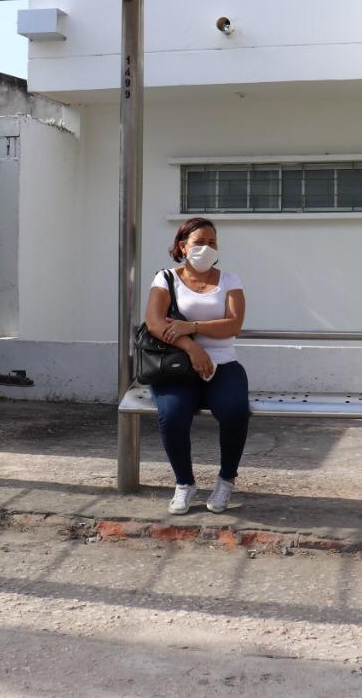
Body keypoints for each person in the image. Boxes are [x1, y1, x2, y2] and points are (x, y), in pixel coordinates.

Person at [145, 217, 250, 515]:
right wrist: (192, 346)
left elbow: (233, 325)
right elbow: (155, 323)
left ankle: (226, 480)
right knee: (172, 415)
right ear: (182, 246)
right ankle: (184, 483)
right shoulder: (166, 279)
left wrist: (189, 326)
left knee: (233, 411)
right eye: (199, 242)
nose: (207, 247)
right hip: (176, 364)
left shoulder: (230, 280)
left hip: (224, 364)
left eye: (212, 242)